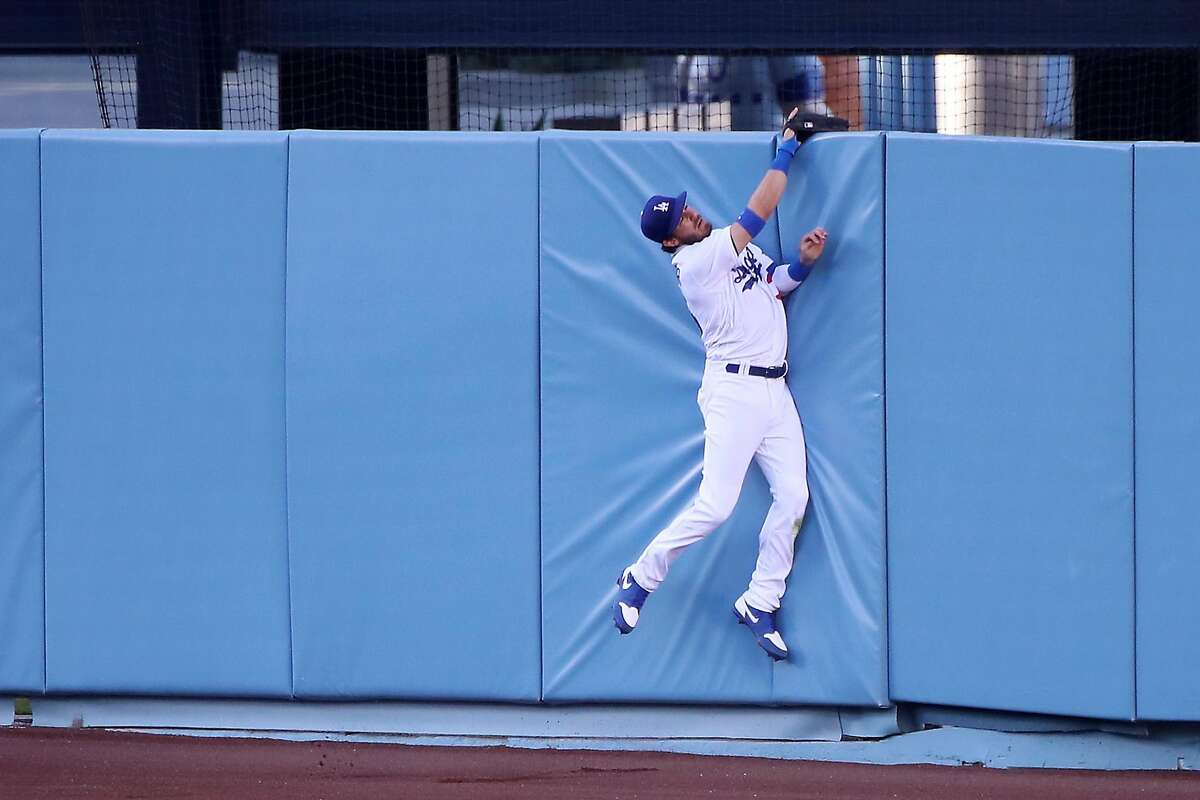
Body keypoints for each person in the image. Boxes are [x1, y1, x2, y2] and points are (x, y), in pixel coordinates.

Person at [613, 111, 828, 661]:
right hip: (733, 394)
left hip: (774, 393)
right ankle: (640, 577)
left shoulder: (726, 251)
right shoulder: (696, 262)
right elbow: (759, 211)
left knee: (795, 497)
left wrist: (801, 266)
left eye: (685, 207)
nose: (689, 214)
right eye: (679, 219)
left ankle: (761, 600)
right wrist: (787, 150)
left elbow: (770, 287)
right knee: (715, 507)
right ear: (670, 243)